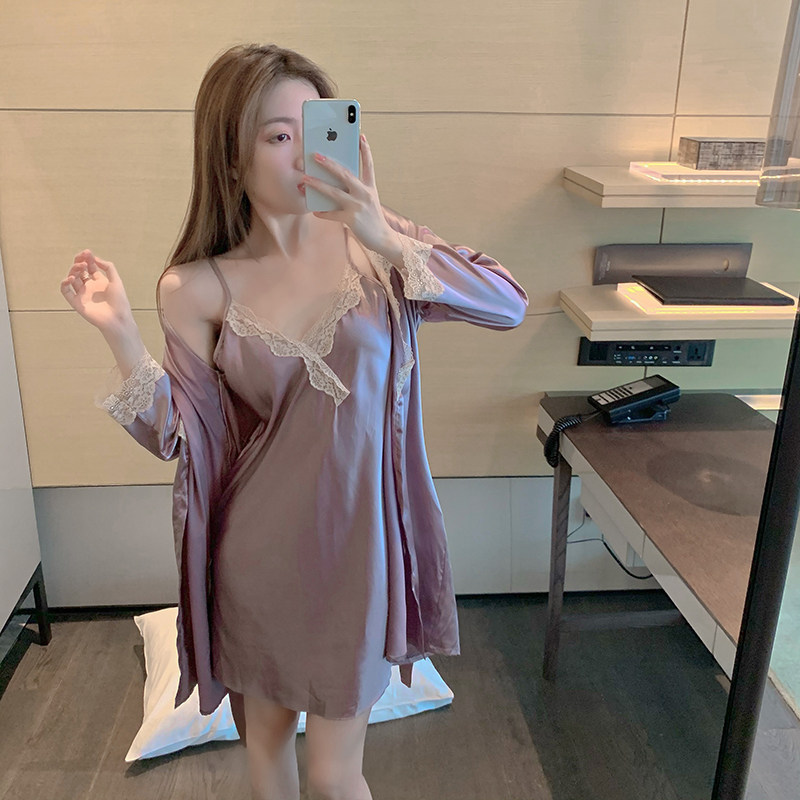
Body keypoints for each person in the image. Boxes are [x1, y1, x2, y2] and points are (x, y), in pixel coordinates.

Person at [60, 43, 529, 800]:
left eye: (316, 128)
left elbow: (508, 305)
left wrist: (384, 234)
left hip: (361, 555)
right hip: (257, 559)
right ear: (230, 157)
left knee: (337, 776)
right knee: (267, 761)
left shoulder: (375, 249)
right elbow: (180, 436)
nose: (306, 153)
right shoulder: (196, 287)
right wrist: (120, 337)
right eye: (279, 136)